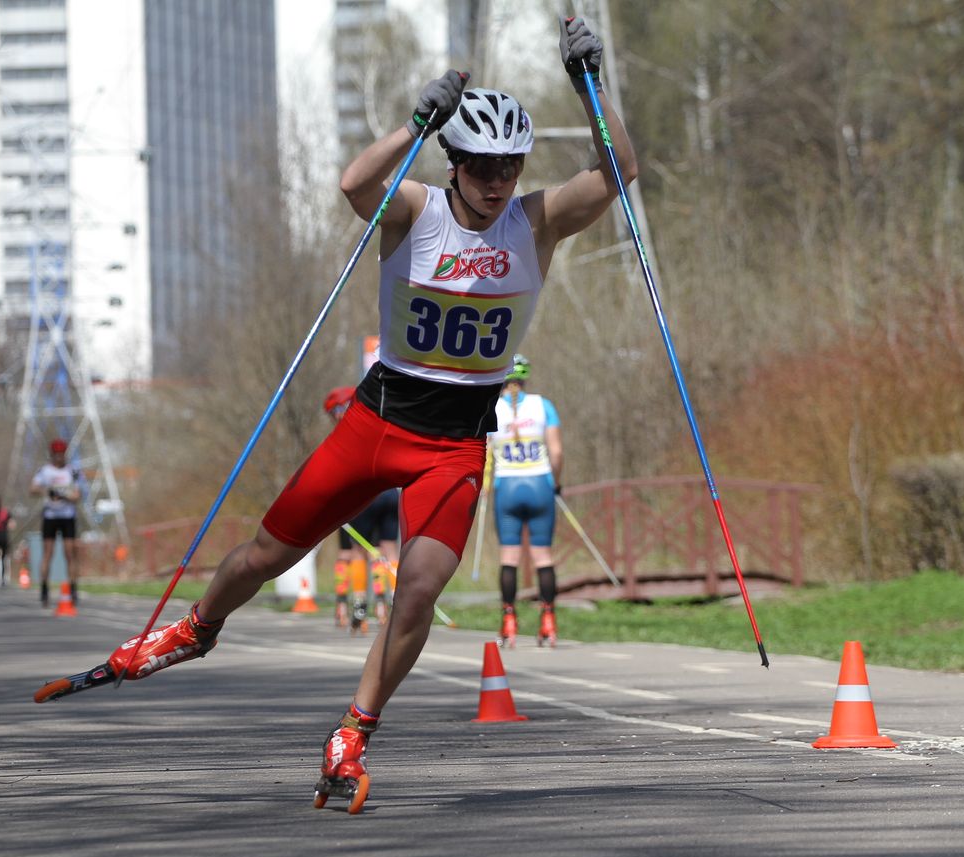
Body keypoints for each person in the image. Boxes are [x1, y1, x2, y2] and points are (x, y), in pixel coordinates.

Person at [90, 18, 634, 806]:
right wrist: (414, 124)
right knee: (264, 554)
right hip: (376, 424)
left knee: (418, 588)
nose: (498, 182)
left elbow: (619, 171)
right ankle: (196, 628)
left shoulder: (536, 221)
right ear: (457, 161)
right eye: (483, 166)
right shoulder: (417, 208)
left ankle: (353, 730)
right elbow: (354, 185)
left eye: (510, 166)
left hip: (454, 443)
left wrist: (592, 85)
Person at [488, 354, 564, 648]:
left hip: (506, 486)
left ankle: (508, 620)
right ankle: (548, 619)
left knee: (509, 557)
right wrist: (555, 482)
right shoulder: (543, 405)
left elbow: (482, 451)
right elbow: (556, 453)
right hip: (539, 484)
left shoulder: (492, 407)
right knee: (543, 556)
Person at [323, 387, 401, 634]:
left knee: (356, 552)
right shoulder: (377, 417)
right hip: (390, 491)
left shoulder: (345, 431)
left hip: (365, 494)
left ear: (338, 411)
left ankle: (358, 606)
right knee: (387, 549)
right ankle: (397, 603)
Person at [30, 439, 82, 607]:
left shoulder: (72, 471)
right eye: (56, 455)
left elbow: (77, 495)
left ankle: (73, 589)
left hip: (67, 516)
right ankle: (44, 589)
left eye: (62, 455)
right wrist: (47, 490)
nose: (59, 458)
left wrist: (64, 494)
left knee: (70, 553)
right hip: (50, 516)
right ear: (52, 455)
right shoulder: (45, 471)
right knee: (48, 553)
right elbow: (33, 489)